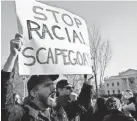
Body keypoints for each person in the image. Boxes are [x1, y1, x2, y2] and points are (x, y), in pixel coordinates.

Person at [1, 34, 94, 121]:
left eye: (53, 84)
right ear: (33, 93)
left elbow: (83, 103)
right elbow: (5, 103)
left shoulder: (60, 113)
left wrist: (88, 76)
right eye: (47, 85)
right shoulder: (23, 115)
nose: (54, 88)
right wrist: (12, 56)